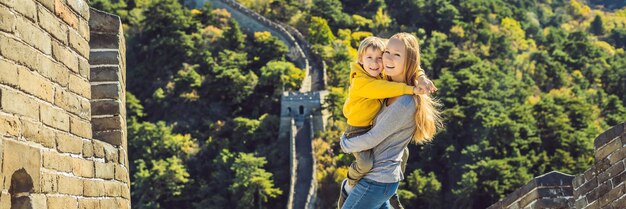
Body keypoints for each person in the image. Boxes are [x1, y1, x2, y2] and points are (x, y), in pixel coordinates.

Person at [340, 32, 443, 209]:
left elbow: (373, 138)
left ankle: (347, 186)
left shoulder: (405, 102)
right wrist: (421, 77)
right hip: (376, 178)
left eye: (397, 55)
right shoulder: (385, 81)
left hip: (377, 180)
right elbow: (412, 67)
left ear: (408, 61)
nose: (387, 58)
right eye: (386, 52)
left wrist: (344, 144)